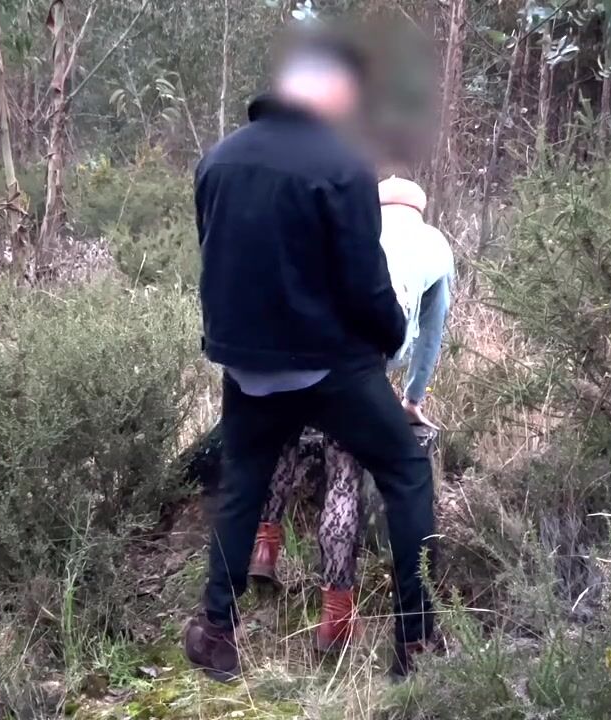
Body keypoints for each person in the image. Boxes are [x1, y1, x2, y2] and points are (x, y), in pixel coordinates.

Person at [185, 32, 439, 682]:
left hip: (246, 366)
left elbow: (217, 260)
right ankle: (415, 644)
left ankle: (215, 629)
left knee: (244, 484)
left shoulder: (217, 161)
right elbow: (365, 285)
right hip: (328, 366)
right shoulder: (342, 166)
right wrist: (390, 337)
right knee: (407, 470)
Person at [249, 175, 453, 653]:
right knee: (344, 472)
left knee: (286, 434)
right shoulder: (433, 244)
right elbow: (431, 333)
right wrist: (412, 399)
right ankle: (335, 617)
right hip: (359, 363)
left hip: (298, 346)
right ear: (419, 209)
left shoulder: (348, 226)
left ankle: (265, 545)